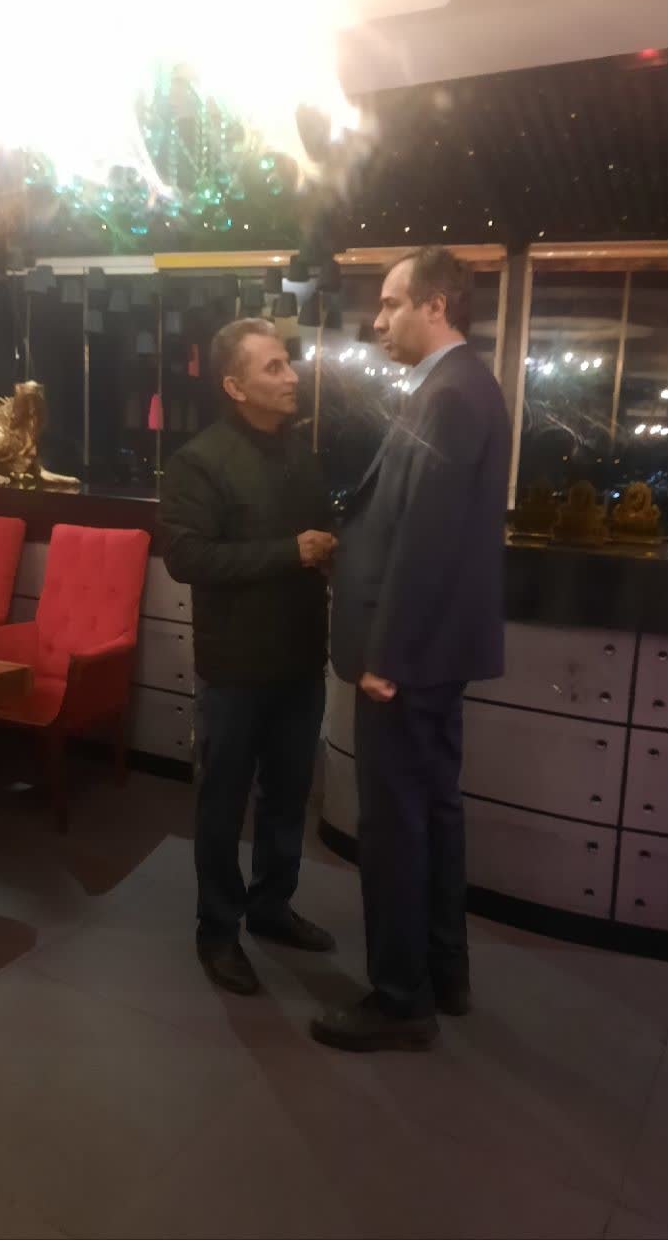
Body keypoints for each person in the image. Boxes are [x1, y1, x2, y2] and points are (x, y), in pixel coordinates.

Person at [312, 247, 510, 1051]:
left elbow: (425, 541)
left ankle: (400, 1001)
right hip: (432, 654)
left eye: (392, 303)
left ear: (436, 305)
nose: (378, 320)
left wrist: (384, 658)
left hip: (407, 658)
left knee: (395, 828)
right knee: (434, 813)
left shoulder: (450, 394)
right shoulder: (457, 386)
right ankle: (443, 973)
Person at [161, 317, 337, 995]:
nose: (292, 376)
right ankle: (217, 930)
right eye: (274, 367)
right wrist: (290, 552)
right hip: (234, 669)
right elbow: (188, 558)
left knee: (289, 798)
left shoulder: (302, 455)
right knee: (223, 804)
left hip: (300, 660)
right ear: (235, 387)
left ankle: (271, 907)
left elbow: (320, 539)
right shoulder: (198, 461)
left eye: (288, 362)